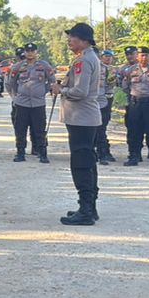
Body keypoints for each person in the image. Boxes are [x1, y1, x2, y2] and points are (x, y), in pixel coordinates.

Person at [55, 23, 102, 225]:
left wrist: (61, 90)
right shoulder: (87, 57)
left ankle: (85, 211)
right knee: (88, 162)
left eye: (72, 36)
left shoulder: (84, 59)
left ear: (83, 40)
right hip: (84, 118)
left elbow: (80, 92)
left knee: (81, 164)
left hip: (81, 118)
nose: (69, 40)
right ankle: (90, 207)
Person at [7, 43, 55, 163]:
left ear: (36, 52)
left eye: (32, 51)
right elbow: (11, 83)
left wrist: (43, 91)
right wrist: (17, 94)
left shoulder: (44, 65)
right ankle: (20, 153)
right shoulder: (18, 66)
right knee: (20, 129)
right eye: (27, 51)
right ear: (24, 52)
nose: (30, 53)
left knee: (40, 129)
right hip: (22, 103)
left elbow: (52, 81)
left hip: (38, 103)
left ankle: (42, 153)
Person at [93, 49, 118, 163]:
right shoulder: (90, 66)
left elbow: (112, 84)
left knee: (102, 126)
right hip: (92, 101)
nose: (108, 58)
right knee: (93, 127)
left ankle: (103, 152)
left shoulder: (110, 69)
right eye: (105, 56)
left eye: (109, 56)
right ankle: (97, 151)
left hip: (105, 100)